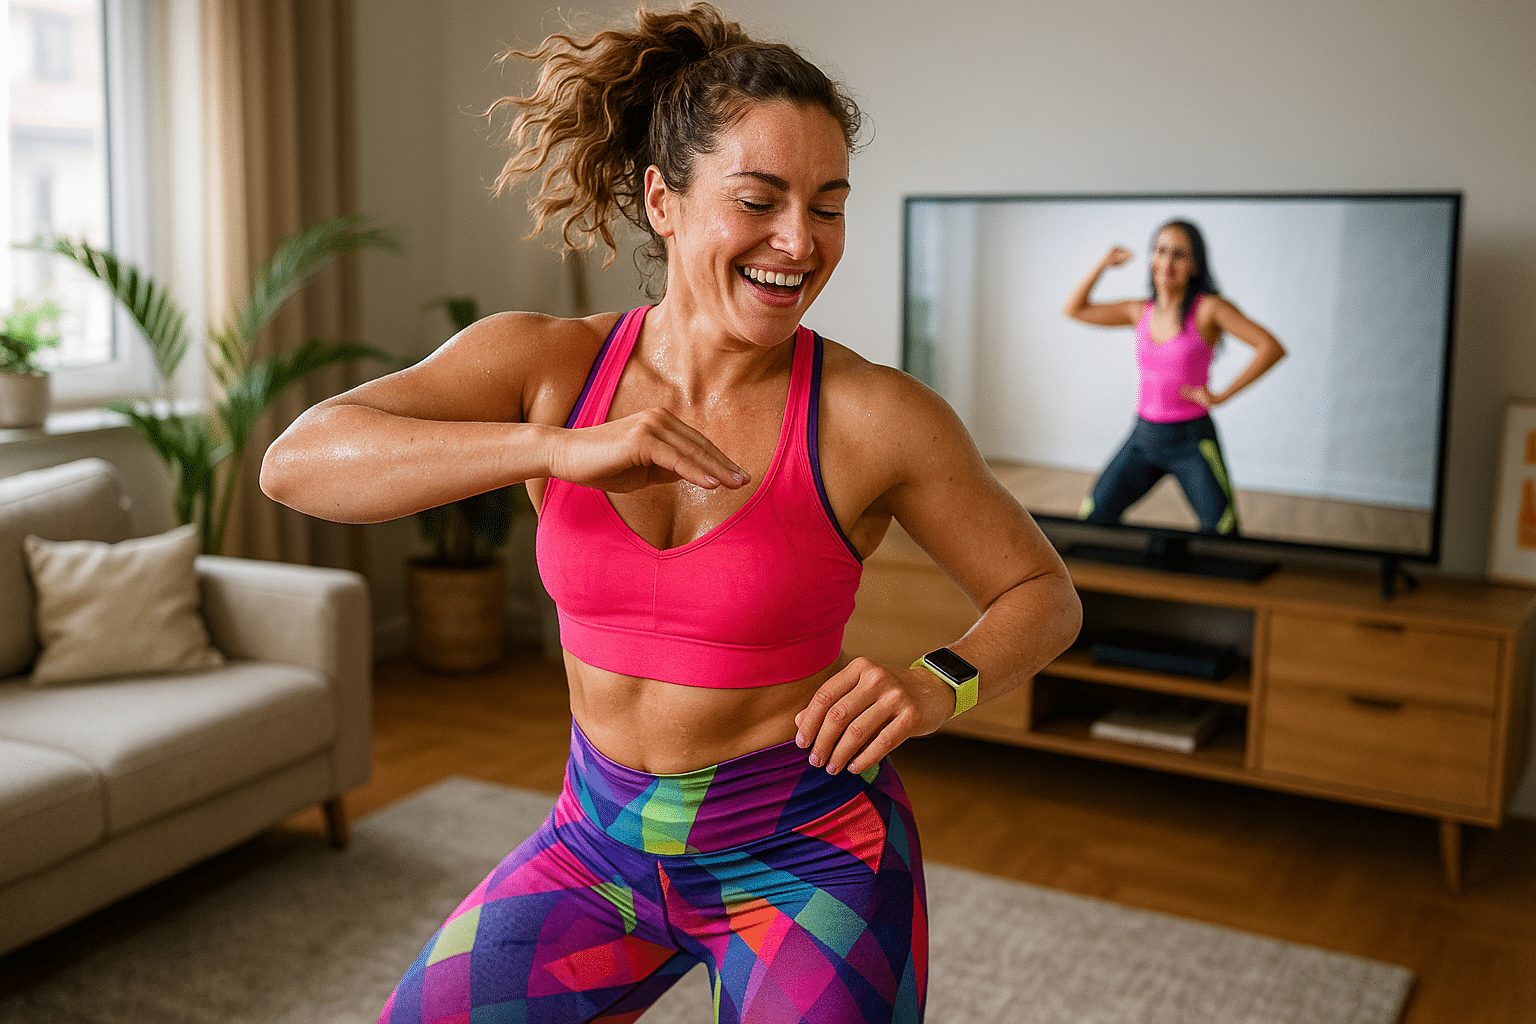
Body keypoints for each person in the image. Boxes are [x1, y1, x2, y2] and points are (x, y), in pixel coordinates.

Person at [261, 5, 1080, 1022]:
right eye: (759, 199)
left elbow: (1042, 592)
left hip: (810, 856)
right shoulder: (550, 367)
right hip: (594, 847)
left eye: (829, 206)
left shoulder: (877, 418)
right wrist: (557, 448)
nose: (800, 242)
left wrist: (935, 682)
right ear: (664, 199)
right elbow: (297, 465)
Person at [1062, 220, 1286, 536]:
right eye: (1160, 251)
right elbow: (1074, 309)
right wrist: (1103, 264)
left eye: (1179, 255)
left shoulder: (1209, 309)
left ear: (1194, 265)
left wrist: (1222, 395)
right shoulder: (1139, 311)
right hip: (1143, 438)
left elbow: (1270, 347)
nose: (1167, 262)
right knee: (1095, 515)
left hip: (1191, 441)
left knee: (1223, 532)